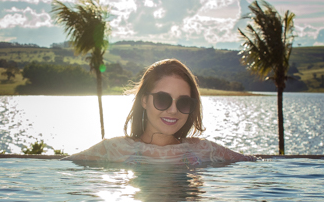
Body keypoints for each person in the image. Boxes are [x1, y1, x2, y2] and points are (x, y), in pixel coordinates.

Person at [68, 58, 257, 166]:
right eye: (162, 99)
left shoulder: (205, 151)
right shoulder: (112, 150)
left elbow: (256, 166)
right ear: (144, 100)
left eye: (183, 102)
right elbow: (60, 171)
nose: (173, 110)